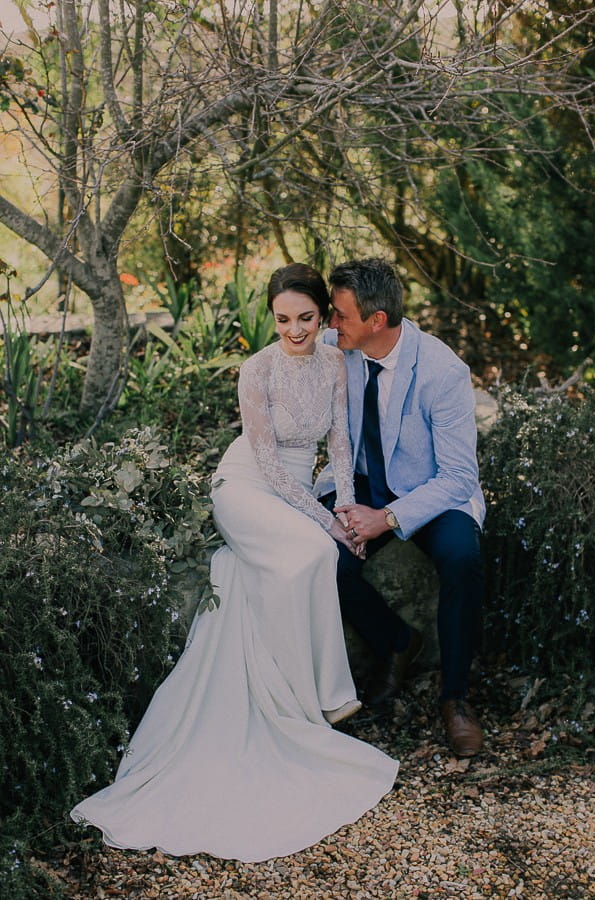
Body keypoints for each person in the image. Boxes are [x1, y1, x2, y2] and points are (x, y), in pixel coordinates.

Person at [70, 263, 398, 862]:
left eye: (305, 318)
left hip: (302, 488)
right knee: (309, 553)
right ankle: (310, 700)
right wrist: (327, 523)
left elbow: (340, 443)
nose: (294, 330)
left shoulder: (334, 364)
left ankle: (320, 696)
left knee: (315, 554)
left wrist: (347, 505)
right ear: (271, 318)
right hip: (246, 487)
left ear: (322, 316)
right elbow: (269, 463)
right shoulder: (258, 369)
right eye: (282, 319)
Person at [314, 258, 486, 757]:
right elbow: (288, 352)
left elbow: (458, 477)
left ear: (377, 321)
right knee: (320, 553)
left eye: (340, 316)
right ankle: (394, 641)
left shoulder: (443, 372)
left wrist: (386, 519)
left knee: (462, 558)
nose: (330, 324)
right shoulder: (336, 348)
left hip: (431, 492)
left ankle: (455, 698)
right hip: (361, 481)